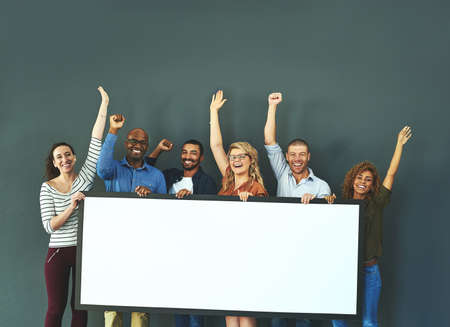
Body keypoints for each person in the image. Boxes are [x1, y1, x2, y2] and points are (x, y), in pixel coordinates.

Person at [39, 86, 109, 327]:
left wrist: (104, 104)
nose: (65, 159)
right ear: (55, 163)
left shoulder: (85, 177)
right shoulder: (47, 187)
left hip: (83, 251)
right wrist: (72, 205)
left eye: (68, 154)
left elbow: (96, 140)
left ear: (74, 157)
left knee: (79, 308)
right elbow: (50, 226)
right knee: (55, 309)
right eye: (59, 157)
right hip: (58, 252)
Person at [331, 126, 412, 327]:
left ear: (371, 184)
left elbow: (391, 174)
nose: (362, 182)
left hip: (369, 271)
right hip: (344, 270)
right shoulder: (340, 205)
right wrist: (329, 204)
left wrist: (399, 145)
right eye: (359, 178)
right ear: (352, 181)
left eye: (367, 180)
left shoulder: (377, 202)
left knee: (369, 321)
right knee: (338, 319)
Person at [263, 92, 331, 327]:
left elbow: (327, 224)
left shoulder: (321, 185)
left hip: (306, 256)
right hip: (279, 252)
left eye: (302, 154)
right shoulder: (282, 173)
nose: (297, 158)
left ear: (308, 156)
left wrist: (316, 205)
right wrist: (272, 107)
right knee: (278, 316)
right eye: (292, 155)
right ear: (286, 157)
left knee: (303, 317)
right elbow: (270, 140)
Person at [96, 114, 167, 327]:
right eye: (133, 141)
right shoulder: (113, 169)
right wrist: (113, 130)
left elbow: (164, 213)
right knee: (112, 306)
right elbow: (101, 169)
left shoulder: (156, 176)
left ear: (147, 147)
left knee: (140, 309)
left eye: (142, 142)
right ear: (126, 143)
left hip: (144, 247)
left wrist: (151, 196)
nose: (137, 145)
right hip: (113, 245)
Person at [210, 90, 268, 327]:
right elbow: (215, 145)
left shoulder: (257, 188)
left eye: (240, 156)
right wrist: (213, 112)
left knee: (245, 313)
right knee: (230, 314)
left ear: (250, 160)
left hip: (247, 255)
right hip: (225, 251)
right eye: (232, 156)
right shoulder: (228, 179)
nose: (235, 160)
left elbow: (264, 224)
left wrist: (250, 204)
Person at [145, 138, 217, 327]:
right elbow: (146, 169)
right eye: (185, 152)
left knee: (194, 306)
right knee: (177, 304)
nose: (187, 156)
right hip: (169, 248)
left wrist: (192, 200)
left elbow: (210, 217)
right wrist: (158, 150)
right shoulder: (169, 175)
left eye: (193, 153)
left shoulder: (207, 182)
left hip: (195, 250)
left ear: (201, 158)